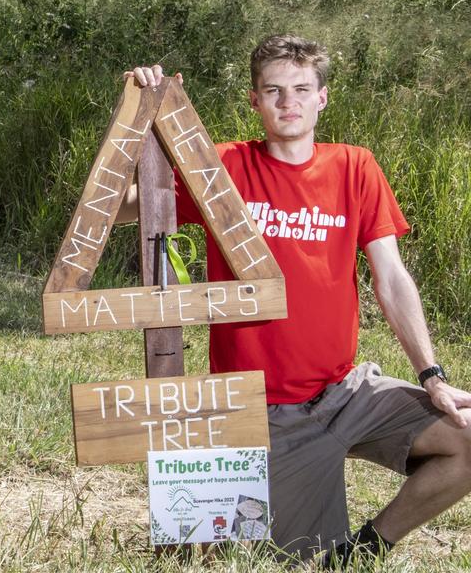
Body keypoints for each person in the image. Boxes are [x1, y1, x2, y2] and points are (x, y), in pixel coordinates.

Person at [119, 35, 471, 565]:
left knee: (467, 440)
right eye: (274, 90)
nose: (289, 102)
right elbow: (123, 206)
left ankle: (363, 551)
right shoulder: (225, 167)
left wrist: (433, 377)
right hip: (267, 409)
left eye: (302, 89)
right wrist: (140, 115)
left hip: (348, 392)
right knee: (272, 558)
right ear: (254, 100)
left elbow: (392, 278)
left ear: (322, 98)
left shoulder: (355, 167)